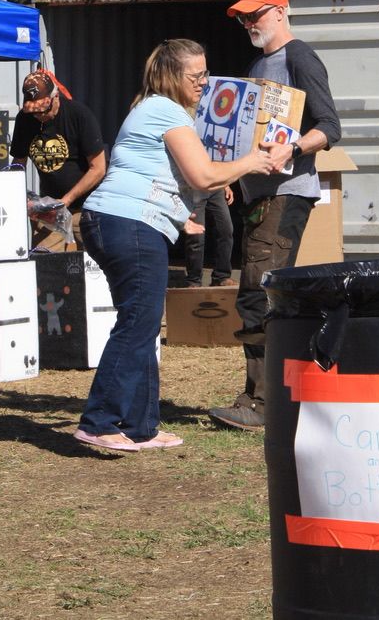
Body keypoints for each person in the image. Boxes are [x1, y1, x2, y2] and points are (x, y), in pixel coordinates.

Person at [73, 38, 273, 453]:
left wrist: (179, 214)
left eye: (205, 73)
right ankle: (98, 421)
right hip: (127, 224)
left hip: (118, 222)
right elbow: (201, 176)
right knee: (137, 324)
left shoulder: (151, 109)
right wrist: (252, 161)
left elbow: (153, 172)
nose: (203, 82)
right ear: (170, 76)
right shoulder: (163, 109)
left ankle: (141, 426)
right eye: (195, 75)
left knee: (142, 325)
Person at [208, 0, 341, 431]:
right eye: (244, 16)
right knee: (261, 293)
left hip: (287, 193)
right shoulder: (258, 63)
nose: (248, 22)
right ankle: (272, 397)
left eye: (256, 14)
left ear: (281, 11)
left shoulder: (299, 56)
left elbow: (330, 126)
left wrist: (294, 149)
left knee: (257, 293)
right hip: (259, 195)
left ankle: (263, 403)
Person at [10, 70, 105, 250]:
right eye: (34, 111)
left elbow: (98, 168)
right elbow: (18, 163)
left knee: (95, 266)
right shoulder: (25, 119)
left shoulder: (79, 115)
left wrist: (66, 200)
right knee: (46, 263)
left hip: (86, 206)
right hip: (50, 209)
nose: (38, 116)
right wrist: (19, 196)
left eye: (43, 110)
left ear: (56, 97)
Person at [183, 187, 236, 287]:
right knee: (196, 236)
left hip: (216, 187)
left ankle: (221, 276)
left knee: (226, 230)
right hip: (196, 187)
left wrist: (226, 184)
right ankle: (194, 280)